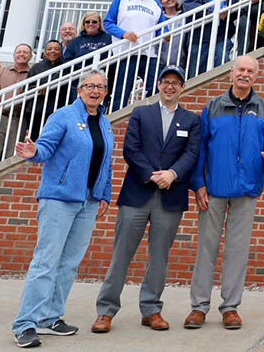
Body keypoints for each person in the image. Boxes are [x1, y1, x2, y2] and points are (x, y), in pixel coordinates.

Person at [92, 65, 201, 334]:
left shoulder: (191, 120)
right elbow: (131, 149)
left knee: (159, 257)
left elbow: (192, 154)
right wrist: (152, 175)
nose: (170, 86)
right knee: (121, 255)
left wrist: (173, 174)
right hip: (137, 194)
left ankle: (151, 309)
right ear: (159, 84)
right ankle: (105, 311)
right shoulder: (141, 113)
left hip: (170, 197)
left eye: (176, 82)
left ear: (182, 87)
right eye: (166, 81)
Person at [11, 69, 113, 349]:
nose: (95, 91)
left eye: (100, 87)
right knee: (46, 262)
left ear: (105, 92)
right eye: (90, 86)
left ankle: (50, 317)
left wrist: (104, 194)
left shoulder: (104, 122)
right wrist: (34, 153)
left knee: (69, 264)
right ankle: (25, 323)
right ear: (79, 90)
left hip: (88, 203)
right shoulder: (63, 116)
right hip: (58, 199)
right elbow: (44, 148)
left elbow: (106, 162)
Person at [186, 55, 264, 330]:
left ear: (256, 76)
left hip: (247, 190)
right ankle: (198, 307)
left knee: (237, 250)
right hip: (214, 189)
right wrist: (198, 184)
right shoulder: (213, 107)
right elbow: (200, 149)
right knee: (206, 249)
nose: (245, 74)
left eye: (250, 71)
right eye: (241, 69)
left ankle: (230, 308)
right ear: (231, 73)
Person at [103, 0, 165, 111]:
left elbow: (161, 27)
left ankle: (150, 116)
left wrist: (165, 34)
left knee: (156, 87)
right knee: (122, 92)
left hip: (148, 53)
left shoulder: (155, 3)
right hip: (125, 53)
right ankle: (114, 122)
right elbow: (108, 23)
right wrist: (123, 34)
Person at [183, 0, 238, 77]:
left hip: (223, 33)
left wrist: (228, 9)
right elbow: (189, 6)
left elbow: (239, 6)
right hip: (199, 34)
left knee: (222, 62)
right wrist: (211, 13)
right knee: (196, 70)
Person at [0, 43, 34, 163]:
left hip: (19, 117)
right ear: (14, 55)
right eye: (19, 52)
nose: (21, 54)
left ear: (30, 56)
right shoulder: (1, 71)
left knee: (12, 152)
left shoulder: (33, 73)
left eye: (25, 52)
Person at [26, 40, 67, 139]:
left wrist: (48, 85)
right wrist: (38, 88)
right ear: (45, 52)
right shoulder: (36, 67)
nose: (52, 51)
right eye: (49, 49)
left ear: (61, 52)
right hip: (36, 112)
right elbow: (26, 88)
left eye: (56, 49)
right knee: (36, 141)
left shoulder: (65, 67)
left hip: (56, 111)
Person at [157, 0, 186, 69]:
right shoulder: (159, 19)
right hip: (161, 63)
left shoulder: (184, 17)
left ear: (176, 0)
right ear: (162, 4)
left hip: (181, 62)